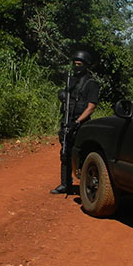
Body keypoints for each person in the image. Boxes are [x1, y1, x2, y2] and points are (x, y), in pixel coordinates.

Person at [51, 49, 100, 194]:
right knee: (65, 152)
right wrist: (62, 95)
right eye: (75, 64)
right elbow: (66, 96)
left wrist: (78, 122)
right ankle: (65, 184)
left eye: (79, 64)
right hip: (67, 121)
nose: (76, 67)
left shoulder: (91, 84)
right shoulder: (71, 81)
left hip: (80, 123)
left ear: (85, 65)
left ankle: (88, 185)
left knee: (82, 154)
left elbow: (91, 107)